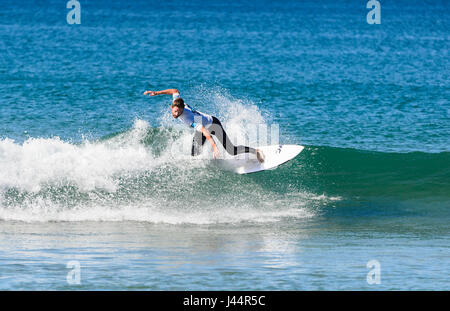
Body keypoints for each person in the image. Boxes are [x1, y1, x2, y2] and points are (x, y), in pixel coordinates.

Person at [143, 88, 264, 162]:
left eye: (178, 112)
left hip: (213, 124)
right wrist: (157, 92)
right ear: (172, 106)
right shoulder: (178, 102)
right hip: (203, 125)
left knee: (231, 150)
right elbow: (175, 91)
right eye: (175, 111)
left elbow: (203, 130)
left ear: (182, 110)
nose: (176, 114)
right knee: (194, 154)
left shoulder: (187, 118)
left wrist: (214, 146)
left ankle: (256, 151)